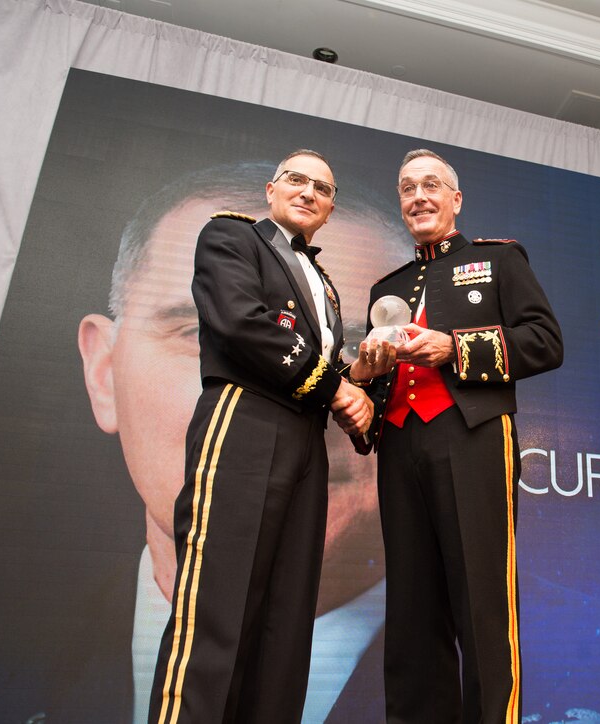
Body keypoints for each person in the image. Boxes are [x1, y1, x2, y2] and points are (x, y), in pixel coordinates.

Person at [136, 148, 392, 724]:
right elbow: (242, 323)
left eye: (322, 188)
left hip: (306, 439)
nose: (308, 192)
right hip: (244, 420)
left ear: (329, 209)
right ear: (272, 191)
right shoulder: (232, 237)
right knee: (217, 610)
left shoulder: (324, 284)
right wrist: (338, 388)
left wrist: (362, 384)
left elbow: (321, 365)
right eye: (296, 180)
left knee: (285, 626)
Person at [355, 148, 563, 723]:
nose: (417, 196)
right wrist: (364, 382)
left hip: (470, 437)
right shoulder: (386, 286)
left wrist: (456, 347)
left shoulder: (499, 259)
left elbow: (545, 341)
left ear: (456, 199)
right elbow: (376, 389)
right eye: (406, 189)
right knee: (412, 608)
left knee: (482, 603)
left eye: (430, 185)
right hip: (400, 445)